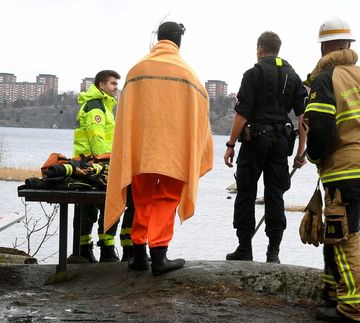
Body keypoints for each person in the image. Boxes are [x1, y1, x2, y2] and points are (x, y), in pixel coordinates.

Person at [303, 17, 360, 323]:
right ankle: (332, 292)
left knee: (345, 237)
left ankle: (352, 310)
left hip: (344, 173)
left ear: (324, 46)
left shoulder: (325, 80)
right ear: (349, 45)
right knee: (339, 230)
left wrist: (316, 156)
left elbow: (320, 128)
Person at [103, 21, 214, 276]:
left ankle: (139, 254)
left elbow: (125, 118)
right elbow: (201, 116)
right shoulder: (189, 75)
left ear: (158, 39)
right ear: (178, 41)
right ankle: (160, 254)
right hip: (174, 152)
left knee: (141, 199)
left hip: (141, 150)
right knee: (166, 199)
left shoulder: (136, 71)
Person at [224, 31, 307, 263]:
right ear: (278, 49)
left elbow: (242, 115)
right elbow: (303, 118)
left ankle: (244, 248)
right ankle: (273, 252)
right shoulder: (294, 77)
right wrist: (301, 152)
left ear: (260, 48)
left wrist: (230, 145)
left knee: (246, 192)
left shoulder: (253, 74)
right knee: (275, 195)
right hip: (281, 141)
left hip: (255, 140)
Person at [72, 69, 134, 263]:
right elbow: (96, 138)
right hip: (93, 164)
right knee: (106, 204)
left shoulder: (103, 106)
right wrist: (108, 162)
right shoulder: (95, 107)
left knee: (93, 208)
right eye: (113, 84)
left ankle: (91, 249)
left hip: (93, 163)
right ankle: (101, 250)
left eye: (117, 84)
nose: (116, 88)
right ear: (101, 85)